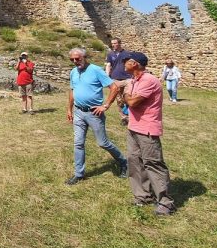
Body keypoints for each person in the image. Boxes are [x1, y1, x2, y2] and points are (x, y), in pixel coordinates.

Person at [104, 51, 175, 216]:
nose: (123, 64)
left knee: (153, 163)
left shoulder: (148, 80)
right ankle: (143, 196)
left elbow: (133, 102)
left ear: (134, 63)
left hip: (147, 129)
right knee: (135, 162)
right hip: (134, 127)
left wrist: (126, 93)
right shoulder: (135, 80)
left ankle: (165, 202)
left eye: (126, 61)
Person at [65, 47, 128, 185]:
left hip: (94, 113)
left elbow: (114, 88)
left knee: (102, 142)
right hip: (78, 112)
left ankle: (124, 161)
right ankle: (79, 174)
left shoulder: (96, 70)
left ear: (84, 57)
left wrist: (105, 105)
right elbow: (72, 91)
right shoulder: (73, 72)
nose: (75, 61)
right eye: (72, 60)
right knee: (78, 143)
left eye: (78, 58)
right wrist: (69, 109)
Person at [105, 38, 131, 124]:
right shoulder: (110, 54)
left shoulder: (127, 54)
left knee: (128, 97)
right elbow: (108, 65)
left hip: (127, 78)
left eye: (115, 43)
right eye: (112, 43)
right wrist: (107, 77)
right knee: (119, 100)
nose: (113, 45)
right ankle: (124, 118)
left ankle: (130, 116)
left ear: (119, 43)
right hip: (115, 79)